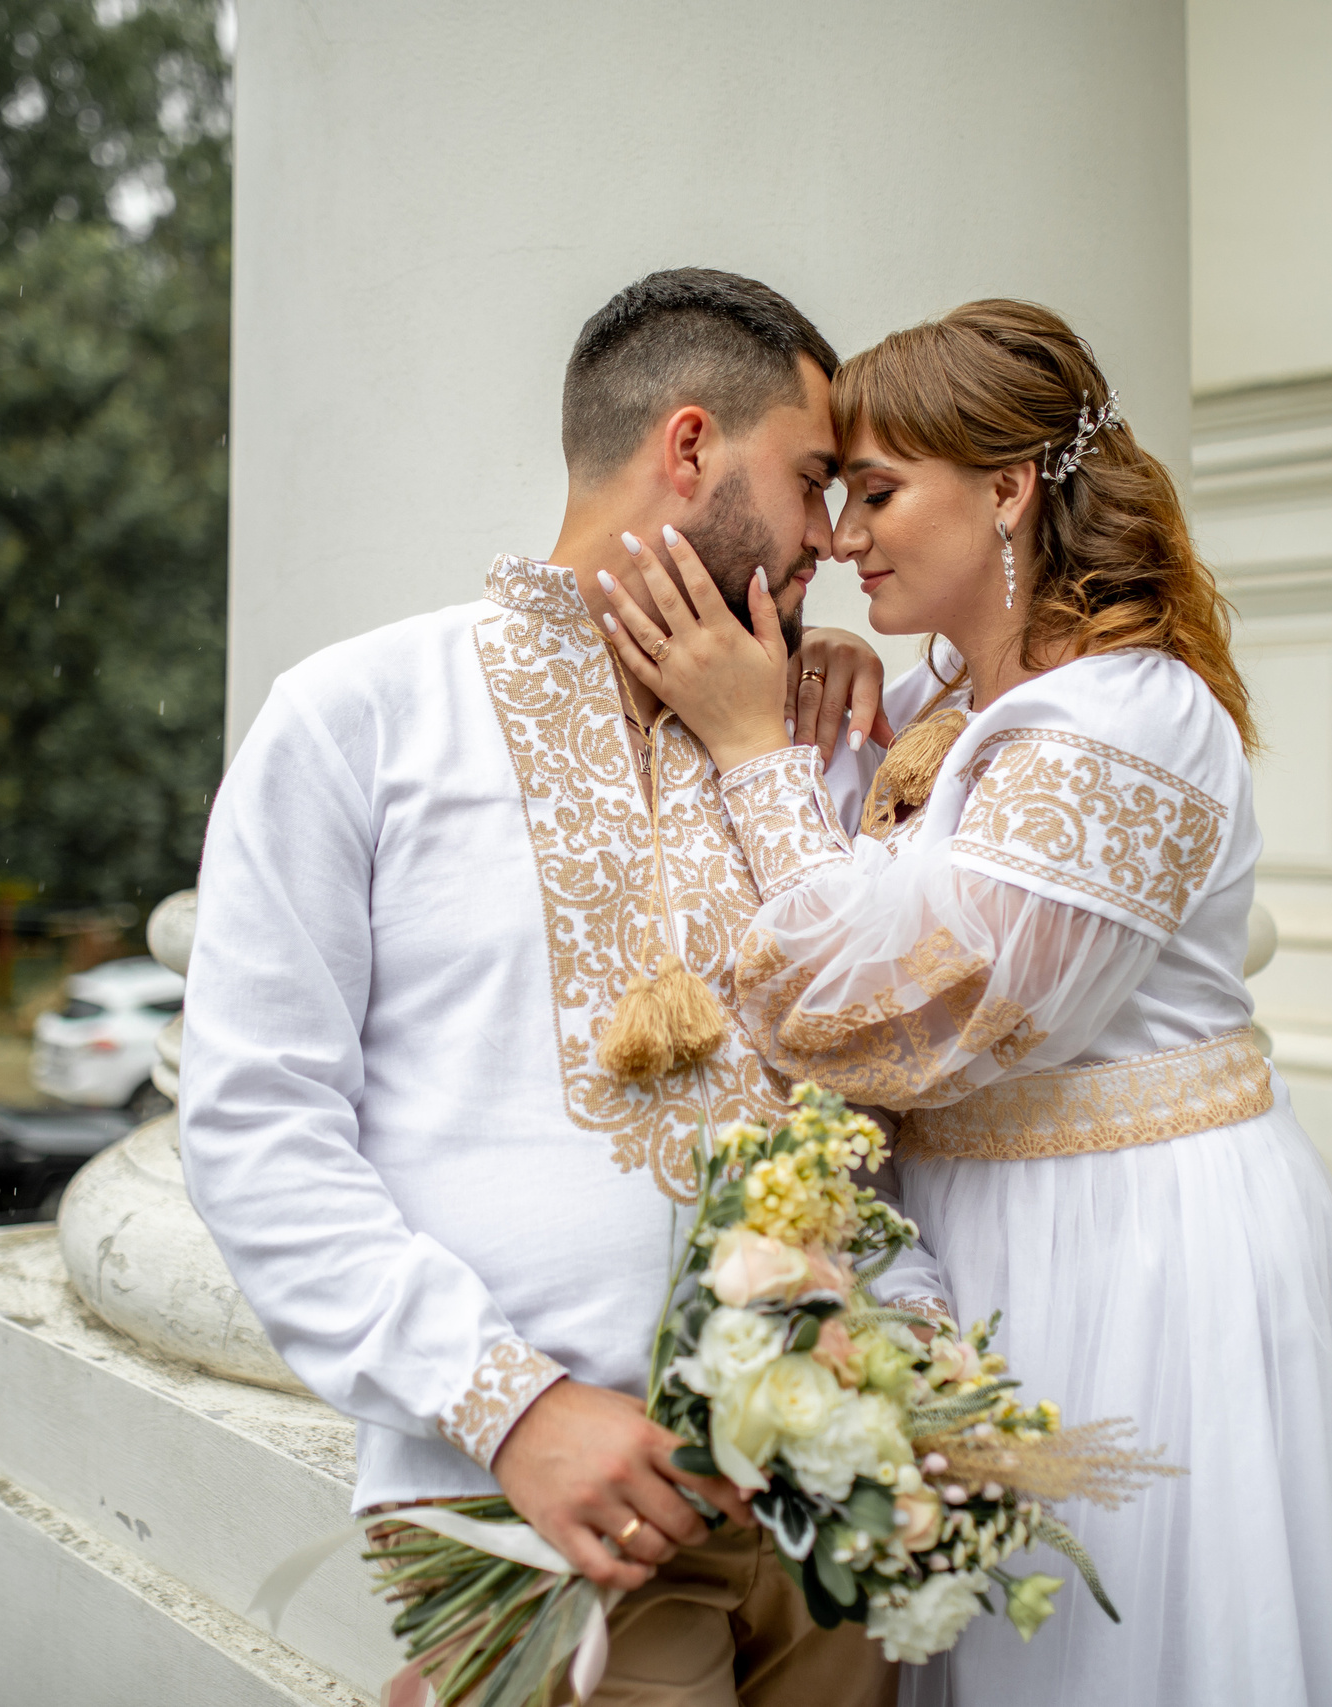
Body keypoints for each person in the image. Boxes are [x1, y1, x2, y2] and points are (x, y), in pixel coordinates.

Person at [598, 299, 1332, 1707]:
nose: (841, 536)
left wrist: (751, 752)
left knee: (1135, 1654)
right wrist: (808, 704)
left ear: (1006, 489)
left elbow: (918, 1023)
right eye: (836, 492)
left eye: (875, 491)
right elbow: (847, 896)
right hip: (977, 1260)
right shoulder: (947, 701)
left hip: (1140, 1256)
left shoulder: (1129, 719)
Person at [180, 267, 945, 1707]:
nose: (831, 542)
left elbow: (878, 1051)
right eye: (811, 482)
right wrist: (512, 1408)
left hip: (826, 1496)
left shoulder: (802, 739)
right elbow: (252, 1128)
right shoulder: (357, 718)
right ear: (691, 448)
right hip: (540, 1515)